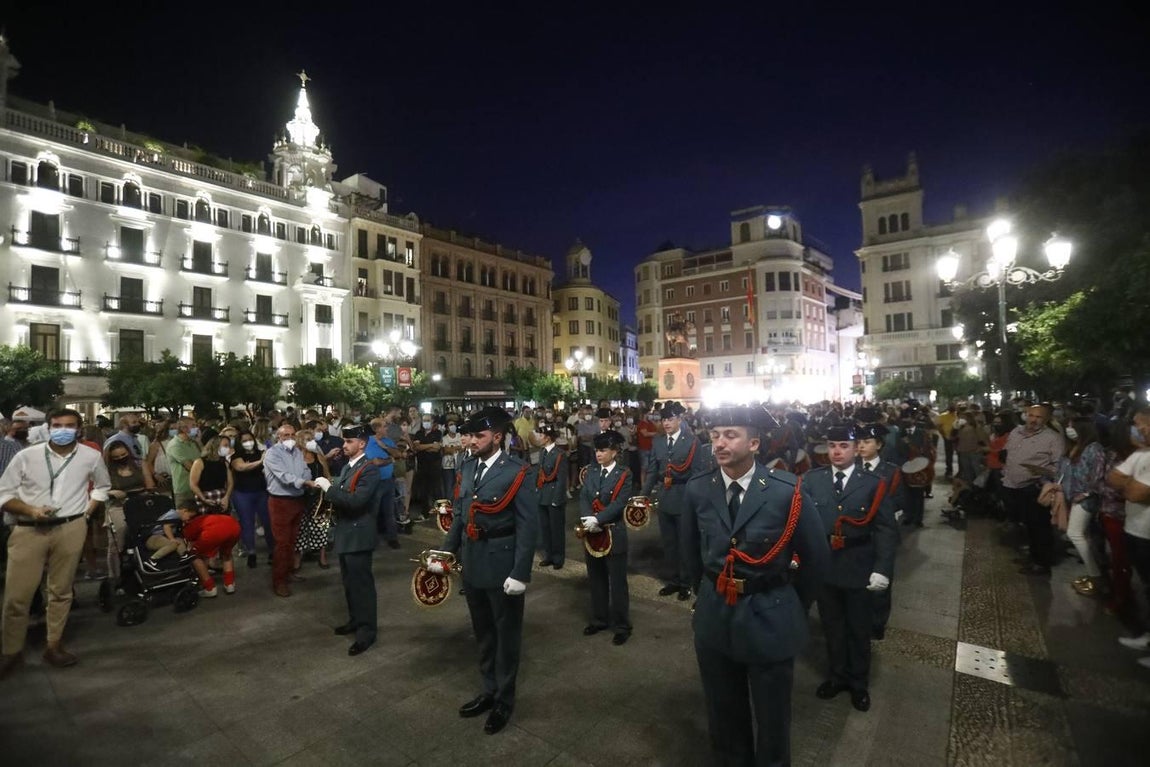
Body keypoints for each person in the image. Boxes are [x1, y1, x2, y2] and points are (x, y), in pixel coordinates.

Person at [681, 404, 830, 766]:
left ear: (755, 444)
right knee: (723, 713)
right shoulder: (699, 489)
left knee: (772, 718)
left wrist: (791, 604)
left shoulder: (786, 490)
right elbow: (689, 554)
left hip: (769, 617)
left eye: (730, 435)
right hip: (716, 617)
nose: (719, 443)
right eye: (715, 435)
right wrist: (701, 597)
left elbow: (817, 559)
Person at [430, 406, 538, 735]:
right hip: (474, 562)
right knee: (484, 634)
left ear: (498, 437)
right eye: (471, 435)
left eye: (480, 436)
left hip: (502, 563)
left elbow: (527, 526)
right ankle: (488, 689)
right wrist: (446, 552)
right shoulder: (468, 466)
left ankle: (504, 699)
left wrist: (520, 572)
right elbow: (461, 516)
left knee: (506, 636)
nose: (472, 441)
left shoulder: (517, 471)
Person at [0, 409, 111, 677]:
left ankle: (54, 645)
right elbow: (4, 493)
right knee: (17, 595)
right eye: (57, 425)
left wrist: (87, 511)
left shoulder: (90, 456)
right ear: (48, 427)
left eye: (69, 425)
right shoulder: (27, 456)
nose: (63, 429)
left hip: (71, 527)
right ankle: (10, 652)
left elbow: (102, 486)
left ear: (79, 428)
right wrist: (30, 510)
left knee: (61, 591)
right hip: (29, 529)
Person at [806, 425, 898, 713]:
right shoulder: (813, 479)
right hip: (826, 566)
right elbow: (804, 524)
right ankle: (837, 676)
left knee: (858, 629)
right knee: (832, 627)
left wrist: (882, 568)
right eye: (831, 445)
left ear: (855, 448)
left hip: (858, 563)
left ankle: (859, 683)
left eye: (843, 446)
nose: (836, 451)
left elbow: (885, 529)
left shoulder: (871, 482)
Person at [317, 425, 382, 656]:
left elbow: (357, 502)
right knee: (349, 583)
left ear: (361, 444)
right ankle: (356, 620)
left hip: (358, 534)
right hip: (346, 532)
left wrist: (329, 489)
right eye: (344, 441)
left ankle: (366, 632)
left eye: (348, 442)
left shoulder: (369, 469)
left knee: (362, 586)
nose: (343, 446)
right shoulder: (348, 467)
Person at [641, 401, 705, 601]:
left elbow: (697, 474)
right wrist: (643, 494)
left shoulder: (692, 442)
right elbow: (653, 470)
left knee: (685, 542)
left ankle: (686, 582)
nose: (666, 423)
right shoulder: (659, 441)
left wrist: (697, 501)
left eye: (670, 419)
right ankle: (673, 580)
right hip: (665, 496)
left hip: (684, 495)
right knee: (669, 543)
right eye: (663, 419)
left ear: (679, 419)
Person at [578, 430, 633, 645]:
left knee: (617, 581)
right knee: (596, 578)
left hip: (613, 532)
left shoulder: (624, 474)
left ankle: (622, 625)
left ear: (614, 451)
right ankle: (600, 619)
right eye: (596, 450)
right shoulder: (591, 471)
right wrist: (586, 519)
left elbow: (620, 503)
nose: (598, 454)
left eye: (602, 450)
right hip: (591, 533)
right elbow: (584, 496)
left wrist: (598, 519)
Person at [1108, 405, 1150, 668]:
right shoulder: (1142, 454)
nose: (1137, 430)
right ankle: (1147, 636)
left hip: (1147, 533)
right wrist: (1130, 485)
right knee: (1146, 587)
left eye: (1141, 425)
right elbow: (1113, 478)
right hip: (1135, 529)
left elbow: (1135, 493)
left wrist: (1129, 485)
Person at [1003, 404, 1066, 576]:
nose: (1033, 420)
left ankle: (1042, 562)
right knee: (1028, 525)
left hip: (1036, 487)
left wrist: (1043, 473)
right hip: (1014, 486)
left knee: (1040, 527)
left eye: (1038, 417)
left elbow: (1059, 466)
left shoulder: (1052, 438)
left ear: (1045, 419)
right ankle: (1032, 556)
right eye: (1030, 415)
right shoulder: (1016, 433)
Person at [856, 423, 905, 640]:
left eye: (866, 442)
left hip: (880, 533)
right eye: (858, 442)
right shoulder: (853, 468)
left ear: (879, 445)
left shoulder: (890, 470)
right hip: (858, 534)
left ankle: (877, 623)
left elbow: (898, 502)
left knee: (881, 584)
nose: (861, 446)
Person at [262, 423, 318, 597]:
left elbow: (306, 471)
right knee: (282, 543)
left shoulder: (297, 452)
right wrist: (305, 483)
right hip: (280, 501)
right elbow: (284, 476)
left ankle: (288, 572)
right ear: (278, 437)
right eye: (286, 435)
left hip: (297, 500)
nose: (290, 438)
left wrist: (309, 481)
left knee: (292, 541)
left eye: (292, 435)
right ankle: (279, 581)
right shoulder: (272, 454)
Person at [1061, 417, 1107, 596]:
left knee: (1075, 533)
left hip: (1086, 497)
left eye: (1073, 427)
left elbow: (1098, 475)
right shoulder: (1076, 446)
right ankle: (1094, 573)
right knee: (1083, 535)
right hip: (1076, 495)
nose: (1069, 429)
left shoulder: (1094, 449)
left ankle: (1096, 576)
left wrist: (1087, 493)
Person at [175, 503, 241, 597]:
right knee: (226, 554)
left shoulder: (188, 526)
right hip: (234, 525)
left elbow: (191, 545)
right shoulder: (205, 517)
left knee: (194, 556)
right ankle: (229, 584)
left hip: (214, 531)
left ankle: (209, 587)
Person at [230, 430, 274, 569]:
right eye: (244, 441)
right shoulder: (236, 456)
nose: (248, 442)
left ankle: (272, 551)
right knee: (247, 524)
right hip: (242, 494)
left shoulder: (260, 452)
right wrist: (261, 461)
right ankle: (251, 553)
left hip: (261, 492)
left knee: (268, 522)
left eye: (250, 439)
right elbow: (241, 467)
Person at [535, 426, 568, 569]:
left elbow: (561, 479)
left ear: (547, 437)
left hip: (554, 495)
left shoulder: (559, 454)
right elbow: (540, 473)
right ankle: (548, 555)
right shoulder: (543, 452)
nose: (538, 438)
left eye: (540, 435)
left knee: (556, 529)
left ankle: (558, 558)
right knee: (545, 528)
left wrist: (557, 499)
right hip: (543, 494)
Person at [366, 416, 401, 549]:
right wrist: (389, 460)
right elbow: (374, 462)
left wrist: (384, 447)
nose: (387, 428)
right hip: (374, 482)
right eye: (384, 426)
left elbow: (397, 454)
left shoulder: (387, 441)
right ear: (376, 429)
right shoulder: (367, 442)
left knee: (389, 511)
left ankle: (392, 538)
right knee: (373, 512)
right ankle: (371, 540)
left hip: (388, 481)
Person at [189, 435, 234, 515]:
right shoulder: (199, 462)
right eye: (225, 445)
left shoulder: (225, 463)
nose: (228, 448)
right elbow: (193, 484)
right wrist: (203, 499)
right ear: (215, 446)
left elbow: (230, 483)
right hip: (205, 497)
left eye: (229, 445)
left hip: (222, 497)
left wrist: (226, 497)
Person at [166, 417, 203, 510]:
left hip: (198, 486)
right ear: (183, 428)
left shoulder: (193, 443)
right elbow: (190, 466)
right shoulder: (175, 445)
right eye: (193, 426)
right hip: (184, 489)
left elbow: (204, 458)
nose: (197, 428)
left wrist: (199, 441)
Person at [936, 403, 958, 479]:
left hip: (957, 438)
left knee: (959, 454)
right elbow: (939, 427)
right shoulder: (943, 416)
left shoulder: (957, 416)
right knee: (949, 454)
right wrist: (944, 436)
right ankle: (949, 470)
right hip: (947, 438)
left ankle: (958, 471)